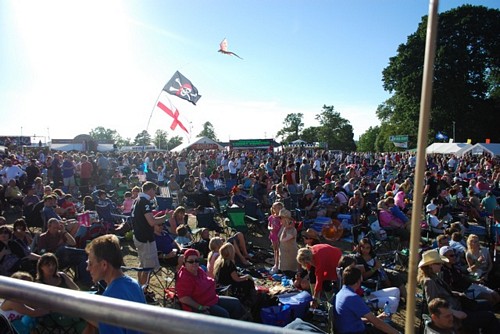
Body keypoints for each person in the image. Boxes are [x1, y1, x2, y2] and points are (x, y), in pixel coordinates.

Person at [417, 249, 498, 333]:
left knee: (486, 304)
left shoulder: (435, 277)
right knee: (490, 317)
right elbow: (433, 304)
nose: (441, 265)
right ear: (430, 266)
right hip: (453, 314)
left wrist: (457, 293)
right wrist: (454, 312)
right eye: (438, 263)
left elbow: (443, 293)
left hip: (457, 304)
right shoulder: (429, 281)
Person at [85, 234, 146, 334]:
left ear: (104, 265)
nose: (87, 268)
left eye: (90, 263)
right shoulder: (134, 284)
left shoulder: (108, 301)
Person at [176, 248, 246, 319]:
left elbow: (207, 281)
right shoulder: (184, 277)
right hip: (203, 305)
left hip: (213, 298)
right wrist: (200, 307)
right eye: (191, 261)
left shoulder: (199, 270)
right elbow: (183, 298)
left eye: (196, 261)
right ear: (185, 262)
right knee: (224, 314)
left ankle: (241, 324)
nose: (194, 263)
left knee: (236, 303)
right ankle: (228, 328)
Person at [333, 266, 400, 334]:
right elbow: (378, 324)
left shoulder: (340, 293)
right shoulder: (352, 298)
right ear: (358, 280)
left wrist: (377, 317)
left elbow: (351, 320)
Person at [131, 181, 168, 291]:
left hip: (138, 235)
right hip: (145, 237)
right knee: (148, 267)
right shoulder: (144, 201)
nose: (155, 193)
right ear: (149, 190)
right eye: (154, 190)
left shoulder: (137, 200)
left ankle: (139, 288)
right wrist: (166, 217)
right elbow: (151, 222)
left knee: (142, 265)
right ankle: (143, 292)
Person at [296, 244, 342, 308]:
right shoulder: (309, 253)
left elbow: (319, 279)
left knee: (325, 282)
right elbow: (309, 270)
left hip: (334, 258)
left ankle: (331, 303)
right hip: (325, 254)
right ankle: (316, 301)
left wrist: (315, 296)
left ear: (308, 260)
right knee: (311, 275)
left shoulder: (319, 260)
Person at [278, 208, 298, 274]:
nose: (279, 220)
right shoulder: (282, 227)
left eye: (281, 218)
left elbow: (282, 239)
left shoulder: (292, 230)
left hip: (290, 254)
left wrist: (285, 228)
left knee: (290, 272)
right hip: (283, 254)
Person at [267, 201, 283, 274]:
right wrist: (270, 228)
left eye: (280, 207)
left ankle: (279, 264)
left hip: (279, 236)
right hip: (273, 235)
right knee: (275, 250)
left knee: (279, 250)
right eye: (277, 207)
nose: (279, 209)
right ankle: (275, 264)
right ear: (273, 209)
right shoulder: (271, 217)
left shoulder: (281, 218)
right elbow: (268, 225)